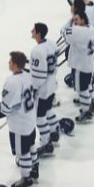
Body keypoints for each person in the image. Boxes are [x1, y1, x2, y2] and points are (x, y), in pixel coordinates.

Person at [0, 51, 38, 187]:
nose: (8, 63)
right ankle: (34, 166)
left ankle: (26, 178)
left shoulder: (12, 82)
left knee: (22, 152)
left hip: (19, 124)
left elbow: (7, 105)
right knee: (31, 144)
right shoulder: (28, 75)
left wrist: (2, 111)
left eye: (10, 61)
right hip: (30, 118)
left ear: (15, 64)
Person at [61, 9, 94, 122]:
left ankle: (86, 110)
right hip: (88, 63)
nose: (74, 21)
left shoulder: (77, 31)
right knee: (85, 87)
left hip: (79, 65)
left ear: (83, 19)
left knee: (81, 89)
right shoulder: (91, 29)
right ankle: (89, 105)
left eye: (76, 19)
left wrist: (69, 21)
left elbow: (63, 31)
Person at [30, 23, 60, 156]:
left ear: (39, 34)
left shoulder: (37, 51)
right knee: (48, 109)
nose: (31, 31)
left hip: (42, 89)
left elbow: (39, 76)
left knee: (39, 116)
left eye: (34, 30)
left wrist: (33, 88)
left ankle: (46, 142)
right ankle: (54, 130)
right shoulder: (52, 43)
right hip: (52, 83)